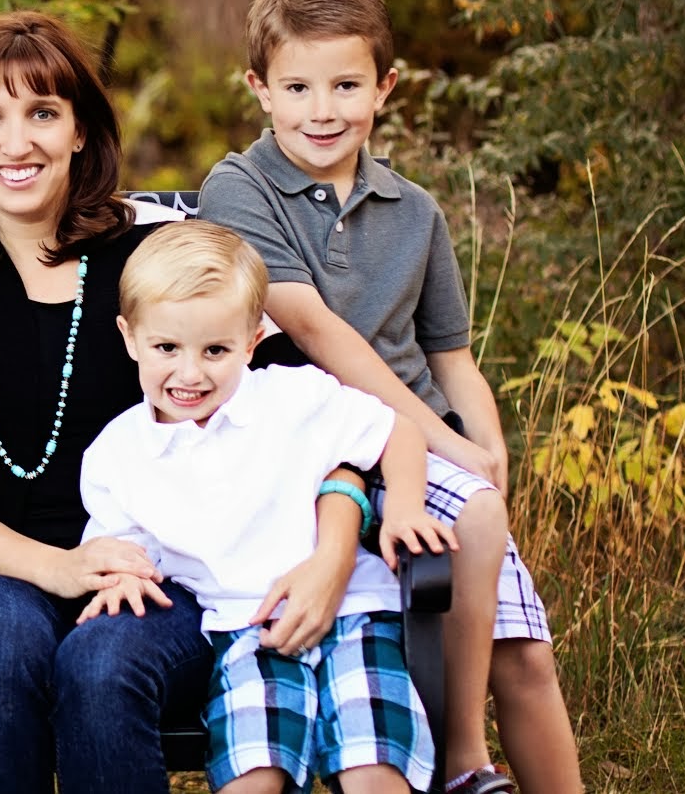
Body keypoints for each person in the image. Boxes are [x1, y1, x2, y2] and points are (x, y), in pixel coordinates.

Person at [0, 10, 370, 794]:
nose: (17, 142)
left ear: (80, 130)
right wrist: (61, 567)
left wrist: (334, 550)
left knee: (102, 662)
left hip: (167, 573)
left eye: (43, 113)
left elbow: (311, 410)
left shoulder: (157, 246)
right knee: (1, 644)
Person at [199, 0, 581, 793]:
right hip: (318, 450)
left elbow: (450, 354)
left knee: (525, 655)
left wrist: (485, 443)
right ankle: (464, 759)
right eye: (298, 88)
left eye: (346, 85)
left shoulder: (415, 210)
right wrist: (443, 438)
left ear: (385, 87)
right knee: (473, 512)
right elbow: (314, 328)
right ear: (260, 89)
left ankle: (487, 767)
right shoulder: (239, 186)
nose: (322, 110)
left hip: (422, 447)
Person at [78, 220, 455, 793]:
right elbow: (118, 549)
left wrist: (403, 507)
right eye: (166, 348)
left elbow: (396, 430)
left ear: (252, 342)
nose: (189, 373)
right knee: (252, 777)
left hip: (354, 613)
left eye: (215, 350)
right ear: (130, 338)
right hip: (243, 632)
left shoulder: (293, 396)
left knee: (373, 772)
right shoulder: (117, 454)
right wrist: (122, 579)